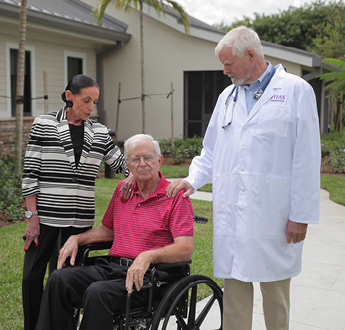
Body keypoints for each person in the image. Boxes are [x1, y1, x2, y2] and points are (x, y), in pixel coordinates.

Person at [166, 26, 321, 330]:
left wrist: (300, 215)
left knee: (275, 297)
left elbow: (307, 157)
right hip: (233, 216)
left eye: (229, 64)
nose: (224, 71)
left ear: (251, 55)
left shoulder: (295, 90)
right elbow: (210, 150)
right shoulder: (227, 97)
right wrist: (192, 179)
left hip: (274, 215)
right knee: (235, 295)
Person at [36, 133, 194, 330]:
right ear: (128, 165)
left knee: (97, 292)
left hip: (150, 278)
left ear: (159, 160)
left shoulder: (176, 196)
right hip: (112, 268)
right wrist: (77, 238)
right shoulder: (123, 189)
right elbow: (108, 231)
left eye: (148, 157)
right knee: (59, 279)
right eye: (135, 159)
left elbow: (185, 248)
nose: (142, 163)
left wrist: (147, 256)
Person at [22, 74, 134, 330]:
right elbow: (30, 172)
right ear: (69, 96)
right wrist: (32, 217)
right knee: (31, 277)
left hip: (79, 222)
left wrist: (131, 177)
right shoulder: (44, 123)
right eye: (87, 100)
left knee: (66, 279)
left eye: (94, 102)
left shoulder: (99, 132)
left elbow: (121, 163)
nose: (91, 107)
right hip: (45, 219)